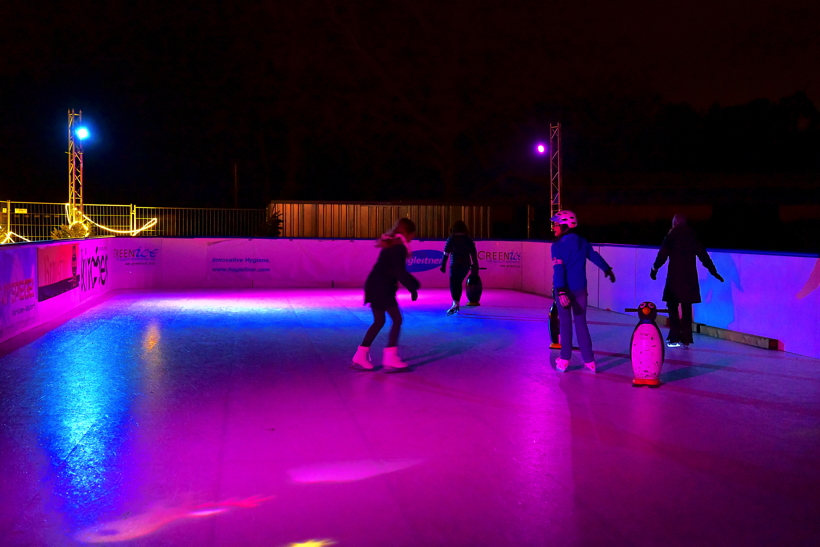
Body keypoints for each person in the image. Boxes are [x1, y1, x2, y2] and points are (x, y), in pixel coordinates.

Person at [351, 218, 420, 372]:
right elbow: (399, 272)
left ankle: (360, 355)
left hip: (375, 286)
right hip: (382, 288)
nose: (412, 238)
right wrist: (413, 288)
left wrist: (410, 284)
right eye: (412, 235)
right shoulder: (399, 247)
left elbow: (392, 270)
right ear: (409, 233)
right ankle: (390, 357)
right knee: (396, 319)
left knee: (379, 321)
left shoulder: (392, 243)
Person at [551, 210, 615, 372]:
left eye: (556, 224)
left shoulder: (557, 246)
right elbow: (594, 256)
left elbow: (559, 270)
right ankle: (589, 361)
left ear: (565, 226)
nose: (554, 228)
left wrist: (561, 291)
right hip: (580, 289)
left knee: (565, 324)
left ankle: (564, 359)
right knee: (581, 324)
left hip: (564, 290)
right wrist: (607, 269)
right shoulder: (582, 242)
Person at [651, 214, 723, 348]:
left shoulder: (671, 236)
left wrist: (654, 269)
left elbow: (662, 255)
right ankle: (686, 339)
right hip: (689, 279)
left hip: (674, 277)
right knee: (686, 308)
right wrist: (713, 270)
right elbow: (703, 255)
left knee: (672, 307)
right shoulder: (692, 236)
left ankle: (674, 338)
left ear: (675, 223)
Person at [439, 220, 479, 315]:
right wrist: (475, 267)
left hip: (455, 264)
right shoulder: (468, 239)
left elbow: (446, 253)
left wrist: (443, 265)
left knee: (454, 282)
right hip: (465, 265)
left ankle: (455, 303)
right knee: (458, 282)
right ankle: (456, 303)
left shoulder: (452, 238)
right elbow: (473, 254)